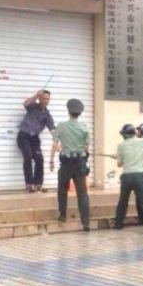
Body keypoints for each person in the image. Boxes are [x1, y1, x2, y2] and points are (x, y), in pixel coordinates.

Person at [50, 99, 90, 231]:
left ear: (68, 111)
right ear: (80, 113)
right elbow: (86, 148)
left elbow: (55, 145)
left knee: (62, 189)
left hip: (66, 163)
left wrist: (51, 160)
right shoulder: (84, 128)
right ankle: (85, 222)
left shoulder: (61, 126)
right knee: (82, 193)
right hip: (80, 163)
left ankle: (62, 215)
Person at [114, 124, 143, 235]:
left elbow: (119, 164)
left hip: (126, 177)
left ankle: (118, 224)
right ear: (134, 133)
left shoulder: (121, 146)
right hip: (139, 176)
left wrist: (120, 157)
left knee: (122, 202)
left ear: (124, 135)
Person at [17, 89, 55, 192]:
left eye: (48, 99)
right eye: (44, 98)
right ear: (40, 98)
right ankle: (29, 184)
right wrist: (36, 94)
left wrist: (56, 139)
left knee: (39, 159)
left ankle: (38, 184)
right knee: (28, 157)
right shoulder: (33, 107)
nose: (46, 101)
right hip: (23, 136)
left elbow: (52, 129)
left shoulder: (47, 115)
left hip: (34, 139)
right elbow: (25, 103)